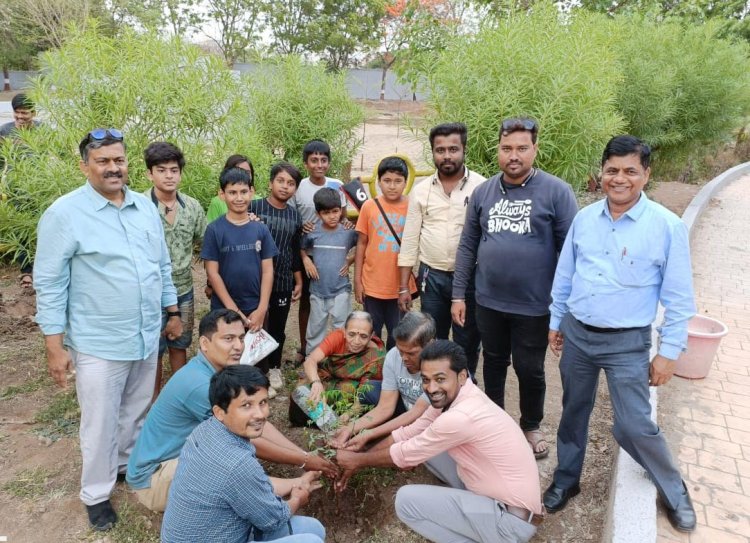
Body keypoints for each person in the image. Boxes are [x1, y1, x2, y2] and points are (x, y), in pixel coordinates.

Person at [544, 135, 697, 532]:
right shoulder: (584, 219)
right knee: (573, 411)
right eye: (612, 170)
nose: (620, 178)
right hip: (578, 334)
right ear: (601, 173)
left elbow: (680, 299)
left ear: (646, 174)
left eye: (630, 170)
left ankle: (674, 489)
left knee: (634, 424)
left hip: (627, 342)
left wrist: (669, 352)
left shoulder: (667, 226)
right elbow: (565, 275)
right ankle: (566, 479)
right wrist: (556, 320)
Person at [34, 128, 182, 531]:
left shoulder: (143, 207)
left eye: (119, 160)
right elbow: (49, 282)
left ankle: (122, 465)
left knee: (135, 407)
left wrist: (171, 311)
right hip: (99, 340)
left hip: (145, 333)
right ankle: (96, 493)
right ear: (85, 166)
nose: (113, 168)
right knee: (99, 421)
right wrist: (54, 344)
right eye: (103, 161)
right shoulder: (64, 214)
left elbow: (161, 265)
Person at [452, 117, 577, 460]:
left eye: (522, 148)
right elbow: (467, 246)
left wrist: (564, 310)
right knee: (492, 361)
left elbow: (571, 253)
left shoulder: (556, 192)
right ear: (498, 151)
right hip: (488, 300)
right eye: (507, 148)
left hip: (535, 305)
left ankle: (530, 425)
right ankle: (495, 421)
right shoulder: (484, 192)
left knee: (529, 367)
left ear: (535, 149)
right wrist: (459, 294)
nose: (514, 156)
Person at [127, 309, 337, 513]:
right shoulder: (199, 385)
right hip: (155, 479)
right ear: (204, 344)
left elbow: (257, 422)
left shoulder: (217, 373)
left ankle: (288, 484)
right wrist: (303, 461)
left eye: (241, 338)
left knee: (234, 444)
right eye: (228, 339)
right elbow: (247, 438)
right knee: (229, 456)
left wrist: (304, 456)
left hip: (177, 463)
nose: (238, 346)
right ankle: (291, 486)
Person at [335, 340, 543, 543]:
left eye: (440, 379)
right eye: (425, 379)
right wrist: (362, 451)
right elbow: (409, 433)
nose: (432, 388)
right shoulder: (455, 396)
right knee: (428, 444)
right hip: (501, 499)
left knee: (406, 501)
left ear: (461, 376)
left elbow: (406, 453)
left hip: (509, 522)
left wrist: (358, 461)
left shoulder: (460, 417)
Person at [161, 365, 327, 543]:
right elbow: (274, 520)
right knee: (312, 540)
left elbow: (251, 488)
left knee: (314, 528)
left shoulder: (205, 430)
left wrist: (299, 482)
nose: (260, 414)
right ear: (219, 412)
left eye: (262, 402)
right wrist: (297, 499)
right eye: (246, 405)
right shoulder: (237, 464)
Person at [397, 123, 485, 375]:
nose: (447, 155)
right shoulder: (421, 190)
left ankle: (465, 387)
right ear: (433, 152)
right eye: (440, 150)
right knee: (432, 337)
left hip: (469, 278)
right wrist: (404, 287)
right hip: (431, 277)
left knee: (467, 338)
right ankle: (435, 388)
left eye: (453, 149)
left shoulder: (481, 187)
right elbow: (410, 239)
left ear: (464, 150)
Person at [201, 166, 279, 395]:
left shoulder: (260, 229)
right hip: (224, 308)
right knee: (226, 349)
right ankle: (225, 393)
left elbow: (267, 270)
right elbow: (213, 273)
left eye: (243, 192)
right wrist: (233, 309)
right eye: (232, 192)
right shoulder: (215, 230)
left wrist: (262, 308)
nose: (239, 198)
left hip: (256, 306)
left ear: (252, 192)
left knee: (252, 352)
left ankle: (251, 391)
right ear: (222, 194)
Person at [143, 141, 207, 396]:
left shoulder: (192, 207)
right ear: (150, 173)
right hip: (150, 292)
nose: (168, 175)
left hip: (183, 289)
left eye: (173, 170)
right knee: (153, 353)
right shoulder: (140, 207)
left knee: (179, 345)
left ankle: (179, 401)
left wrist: (211, 281)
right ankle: (152, 403)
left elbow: (204, 244)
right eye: (161, 170)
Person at [329, 311, 434, 453]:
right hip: (405, 408)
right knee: (371, 389)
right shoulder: (393, 356)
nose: (403, 358)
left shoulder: (440, 366)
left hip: (431, 418)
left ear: (429, 345)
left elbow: (416, 413)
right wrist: (350, 428)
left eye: (411, 353)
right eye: (400, 351)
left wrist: (369, 434)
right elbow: (385, 407)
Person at [290, 140, 348, 360]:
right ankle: (306, 349)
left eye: (323, 160)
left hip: (332, 251)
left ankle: (336, 349)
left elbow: (342, 216)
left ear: (329, 162)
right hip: (307, 252)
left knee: (334, 299)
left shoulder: (336, 184)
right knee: (308, 300)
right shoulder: (300, 186)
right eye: (314, 160)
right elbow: (293, 215)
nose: (319, 164)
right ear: (306, 163)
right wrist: (300, 228)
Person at [250, 162, 304, 391]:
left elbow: (294, 250)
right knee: (256, 325)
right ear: (271, 182)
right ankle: (254, 371)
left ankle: (274, 368)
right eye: (280, 181)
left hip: (282, 280)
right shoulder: (254, 207)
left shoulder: (295, 216)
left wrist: (298, 279)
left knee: (278, 328)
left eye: (291, 183)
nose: (285, 187)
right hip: (255, 280)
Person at [354, 156, 417, 350]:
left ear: (406, 182)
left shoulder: (413, 207)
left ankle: (393, 371)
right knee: (371, 332)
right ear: (379, 182)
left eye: (398, 181)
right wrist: (357, 281)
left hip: (400, 286)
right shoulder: (369, 206)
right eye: (387, 181)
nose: (392, 186)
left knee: (398, 333)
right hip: (372, 284)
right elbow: (362, 244)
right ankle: (374, 370)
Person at [301, 187, 357, 355]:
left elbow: (362, 246)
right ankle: (312, 362)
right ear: (318, 214)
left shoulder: (348, 231)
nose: (332, 216)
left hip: (341, 288)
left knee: (341, 327)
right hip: (318, 290)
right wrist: (305, 260)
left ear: (341, 210)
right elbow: (302, 247)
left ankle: (339, 361)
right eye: (326, 213)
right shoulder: (312, 231)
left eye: (335, 211)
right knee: (315, 330)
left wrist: (349, 260)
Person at [298, 311, 385, 416]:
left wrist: (348, 415)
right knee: (302, 391)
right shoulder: (337, 337)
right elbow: (310, 361)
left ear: (371, 336)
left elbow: (366, 391)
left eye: (363, 336)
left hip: (352, 389)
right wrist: (316, 383)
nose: (356, 341)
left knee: (349, 391)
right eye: (351, 334)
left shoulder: (377, 356)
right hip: (328, 379)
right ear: (344, 331)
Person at [1, 93, 42, 289]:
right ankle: (26, 271)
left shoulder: (43, 130)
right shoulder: (5, 132)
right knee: (21, 228)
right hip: (15, 189)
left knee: (42, 226)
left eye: (24, 114)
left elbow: (56, 154)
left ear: (33, 113)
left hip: (40, 187)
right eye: (16, 115)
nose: (20, 119)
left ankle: (44, 269)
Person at [206, 154, 255, 223]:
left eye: (247, 172)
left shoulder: (259, 201)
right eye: (237, 170)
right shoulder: (217, 202)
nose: (242, 175)